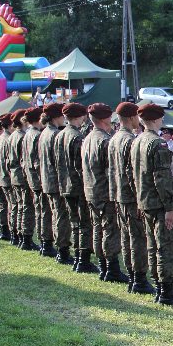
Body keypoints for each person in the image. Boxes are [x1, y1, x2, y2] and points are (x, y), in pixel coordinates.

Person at [132, 103, 173, 307]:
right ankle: (166, 292)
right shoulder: (158, 144)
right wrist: (170, 208)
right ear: (155, 119)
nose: (162, 121)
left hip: (145, 202)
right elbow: (162, 179)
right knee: (167, 247)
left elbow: (134, 175)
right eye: (161, 117)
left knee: (152, 246)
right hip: (159, 204)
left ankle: (159, 288)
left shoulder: (137, 141)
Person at [108, 101, 155, 294]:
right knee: (138, 239)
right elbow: (132, 173)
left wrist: (114, 195)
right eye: (137, 116)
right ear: (131, 117)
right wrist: (139, 199)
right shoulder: (129, 140)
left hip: (119, 196)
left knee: (127, 238)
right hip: (130, 197)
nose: (139, 120)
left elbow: (111, 171)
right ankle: (139, 280)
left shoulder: (114, 138)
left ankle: (132, 276)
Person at [81, 103, 128, 283]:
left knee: (97, 228)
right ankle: (111, 268)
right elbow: (111, 171)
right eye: (109, 116)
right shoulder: (104, 140)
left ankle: (103, 266)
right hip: (104, 192)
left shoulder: (88, 138)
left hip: (91, 190)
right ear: (103, 118)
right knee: (110, 230)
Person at [57, 102, 99, 273]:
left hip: (65, 184)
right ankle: (83, 260)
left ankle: (77, 257)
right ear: (79, 116)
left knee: (74, 223)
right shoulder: (77, 137)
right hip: (78, 186)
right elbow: (81, 166)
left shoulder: (60, 135)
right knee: (84, 224)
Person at [39, 103, 74, 264]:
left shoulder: (44, 133)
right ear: (55, 117)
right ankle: (63, 250)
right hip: (56, 181)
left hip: (47, 179)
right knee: (61, 216)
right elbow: (59, 162)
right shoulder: (54, 134)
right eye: (61, 115)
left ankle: (52, 245)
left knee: (54, 214)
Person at [22, 107, 54, 257]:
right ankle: (45, 243)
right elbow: (37, 161)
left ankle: (43, 241)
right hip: (38, 179)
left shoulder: (28, 134)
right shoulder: (35, 135)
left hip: (32, 178)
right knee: (44, 211)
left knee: (39, 210)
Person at [8, 109, 38, 250]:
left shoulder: (13, 136)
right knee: (26, 207)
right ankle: (25, 238)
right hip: (21, 175)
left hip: (15, 175)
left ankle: (18, 236)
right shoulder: (21, 136)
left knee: (20, 206)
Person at [0, 113, 18, 245]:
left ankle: (8, 231)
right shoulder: (7, 139)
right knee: (13, 206)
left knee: (8, 205)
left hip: (3, 177)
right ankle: (13, 233)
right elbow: (9, 162)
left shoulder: (2, 137)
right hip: (8, 178)